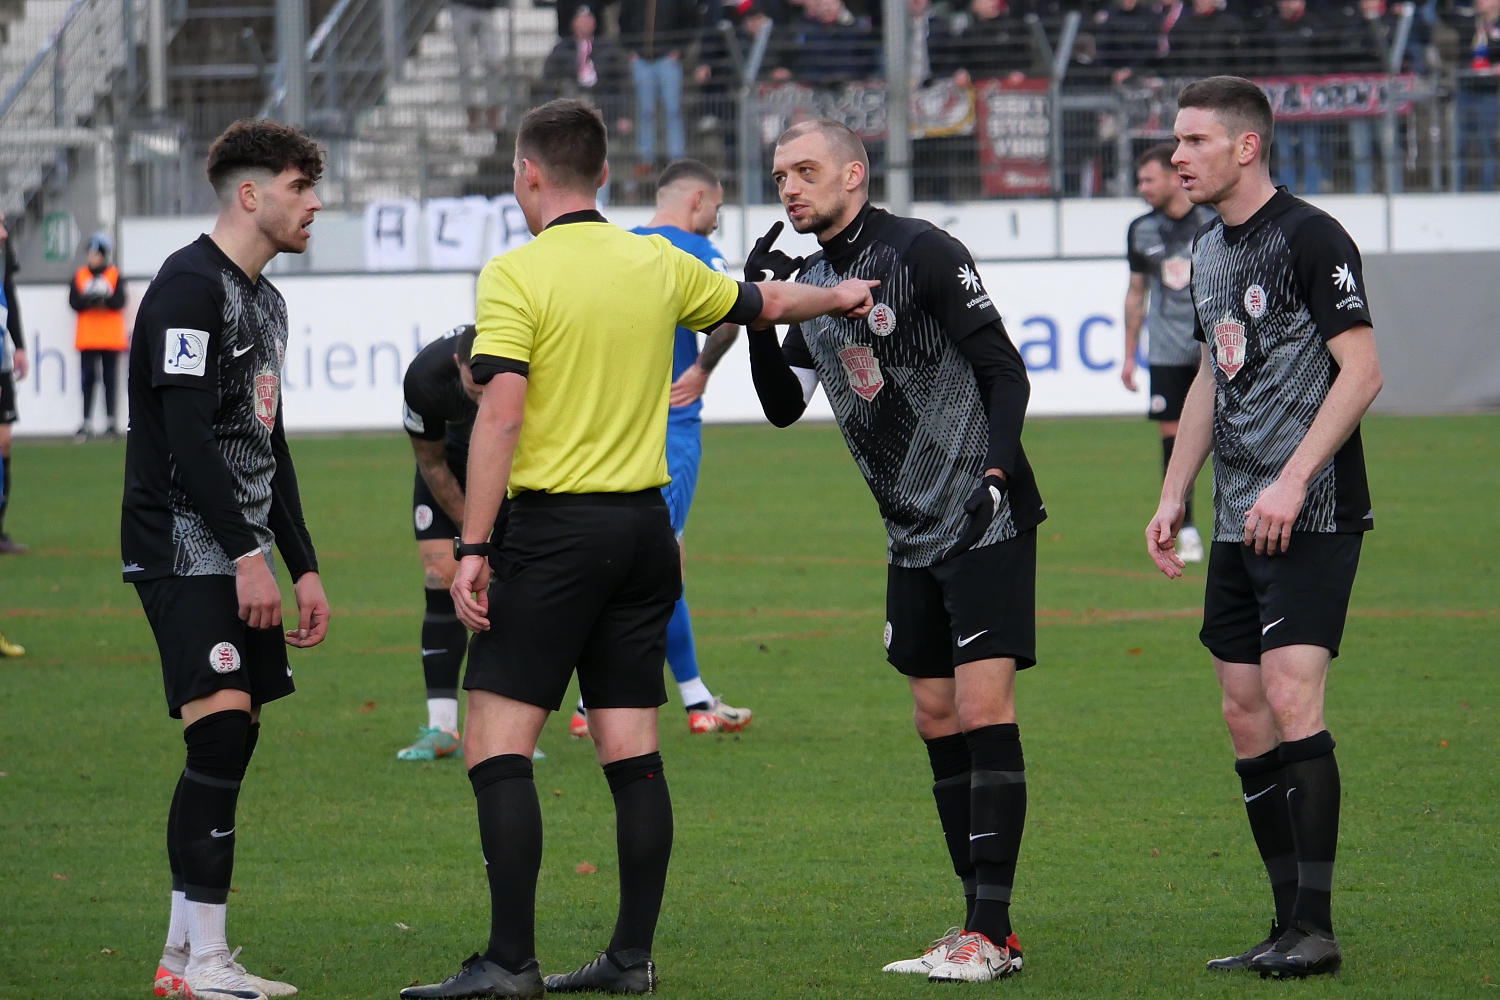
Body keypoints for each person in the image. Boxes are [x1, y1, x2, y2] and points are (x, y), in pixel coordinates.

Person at [401, 98, 874, 1000]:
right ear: (606, 176)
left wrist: (471, 544)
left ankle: (507, 963)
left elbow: (499, 413)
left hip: (555, 530)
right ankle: (629, 957)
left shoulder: (514, 274)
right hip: (643, 531)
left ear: (527, 175)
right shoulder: (655, 259)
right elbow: (763, 301)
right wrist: (840, 294)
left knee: (495, 743)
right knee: (631, 750)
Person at [744, 119, 1045, 983]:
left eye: (805, 171)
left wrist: (994, 467)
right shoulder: (809, 280)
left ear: (854, 172)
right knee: (933, 714)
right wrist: (765, 312)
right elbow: (780, 405)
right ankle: (976, 924)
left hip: (982, 510)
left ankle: (992, 930)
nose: (790, 188)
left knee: (985, 708)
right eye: (779, 176)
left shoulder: (923, 251)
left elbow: (1005, 370)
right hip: (908, 526)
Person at [1145, 76, 1383, 979]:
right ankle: (1284, 923)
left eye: (1194, 141)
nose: (1177, 157)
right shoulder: (1209, 250)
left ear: (1246, 146)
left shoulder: (1312, 235)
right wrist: (1174, 493)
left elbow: (1360, 372)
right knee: (1244, 714)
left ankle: (1316, 928)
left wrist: (1290, 481)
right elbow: (1214, 374)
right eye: (1177, 142)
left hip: (1311, 511)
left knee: (1291, 700)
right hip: (1239, 518)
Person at [122, 118, 331, 1000]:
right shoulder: (186, 290)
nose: (314, 205)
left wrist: (303, 562)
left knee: (231, 739)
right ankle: (202, 963)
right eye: (298, 188)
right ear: (251, 195)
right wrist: (249, 556)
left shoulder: (268, 302)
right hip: (180, 545)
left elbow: (262, 442)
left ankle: (184, 958)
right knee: (217, 731)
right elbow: (186, 440)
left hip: (238, 551)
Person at [569, 159, 752, 741]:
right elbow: (733, 313)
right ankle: (619, 703)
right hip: (671, 431)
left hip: (612, 429)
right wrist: (699, 369)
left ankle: (681, 699)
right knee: (654, 564)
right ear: (697, 199)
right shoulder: (693, 249)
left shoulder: (619, 247)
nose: (716, 223)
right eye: (717, 211)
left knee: (636, 560)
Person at [1122, 143, 1215, 563]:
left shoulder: (1213, 221)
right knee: (1173, 437)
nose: (1141, 187)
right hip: (1164, 346)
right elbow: (1136, 292)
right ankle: (1187, 525)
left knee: (1229, 433)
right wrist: (1129, 355)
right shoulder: (1140, 229)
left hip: (1212, 345)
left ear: (1173, 178)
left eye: (1148, 179)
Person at [70, 231, 130, 441]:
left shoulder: (114, 275)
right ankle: (86, 422)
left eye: (96, 254)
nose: (92, 257)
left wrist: (103, 298)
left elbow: (119, 302)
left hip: (110, 337)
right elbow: (74, 303)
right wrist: (90, 298)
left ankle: (111, 422)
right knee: (88, 380)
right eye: (90, 253)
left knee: (109, 380)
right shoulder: (80, 276)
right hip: (87, 337)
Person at [0, 208, 28, 558]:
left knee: (4, 442)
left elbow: (10, 294)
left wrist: (19, 344)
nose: (5, 232)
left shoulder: (4, 253)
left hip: (2, 361)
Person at [448, 0, 505, 131]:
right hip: (460, 8)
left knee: (493, 63)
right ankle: (472, 114)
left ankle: (493, 113)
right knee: (465, 65)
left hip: (487, 9)